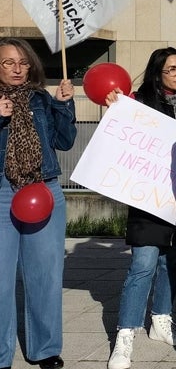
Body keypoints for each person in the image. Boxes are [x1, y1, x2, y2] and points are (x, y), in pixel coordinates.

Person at [105, 48, 176, 369]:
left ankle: (162, 319)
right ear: (157, 72)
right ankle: (125, 334)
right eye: (171, 68)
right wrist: (115, 110)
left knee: (172, 264)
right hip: (147, 201)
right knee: (143, 266)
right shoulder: (138, 102)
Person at [0, 38, 75, 369]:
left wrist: (63, 105)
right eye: (8, 63)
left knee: (45, 275)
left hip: (44, 190)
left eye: (23, 63)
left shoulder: (40, 98)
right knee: (1, 281)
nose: (17, 69)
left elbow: (64, 141)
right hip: (3, 191)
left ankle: (45, 350)